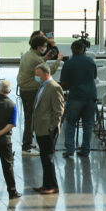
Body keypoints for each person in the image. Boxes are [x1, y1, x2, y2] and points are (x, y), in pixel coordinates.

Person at [60, 39, 98, 158]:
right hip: (91, 96)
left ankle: (70, 149)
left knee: (70, 123)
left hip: (75, 96)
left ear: (72, 50)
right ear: (83, 49)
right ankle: (85, 150)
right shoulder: (90, 61)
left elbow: (64, 83)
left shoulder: (68, 63)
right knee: (88, 124)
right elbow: (95, 76)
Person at [32, 63, 65, 195]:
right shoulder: (43, 85)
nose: (36, 77)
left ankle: (52, 185)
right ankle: (46, 184)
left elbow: (59, 110)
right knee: (44, 158)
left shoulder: (54, 87)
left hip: (48, 129)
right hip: (40, 127)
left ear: (46, 74)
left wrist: (53, 127)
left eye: (38, 75)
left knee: (48, 158)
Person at [16, 34, 50, 156]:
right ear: (38, 47)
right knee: (30, 118)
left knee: (28, 117)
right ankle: (26, 146)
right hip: (31, 90)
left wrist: (44, 59)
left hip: (24, 89)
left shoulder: (27, 54)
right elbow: (48, 72)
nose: (45, 49)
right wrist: (57, 61)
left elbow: (38, 64)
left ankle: (29, 142)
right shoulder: (36, 59)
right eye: (44, 47)